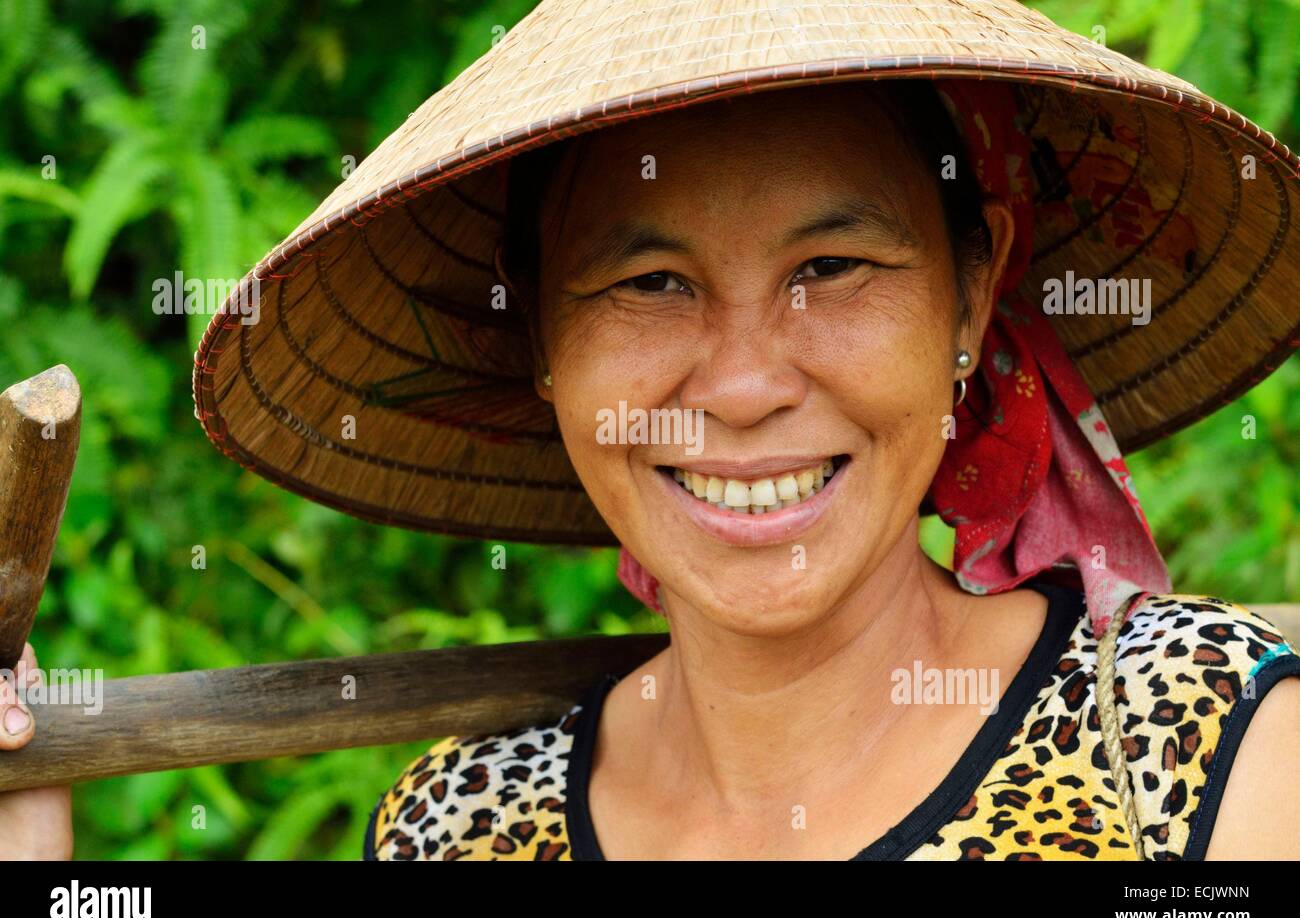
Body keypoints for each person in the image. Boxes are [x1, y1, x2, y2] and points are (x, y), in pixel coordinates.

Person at [5, 0, 1298, 861]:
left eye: (835, 264)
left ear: (973, 290)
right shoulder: (462, 832)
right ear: (543, 352)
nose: (742, 386)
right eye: (650, 283)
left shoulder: (1204, 759)